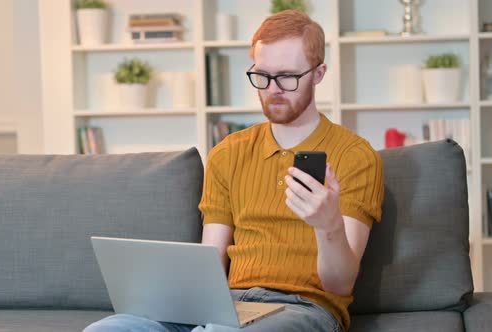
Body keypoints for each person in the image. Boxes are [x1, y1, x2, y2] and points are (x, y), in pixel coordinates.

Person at [84, 9, 384, 332]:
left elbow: (340, 285)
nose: (273, 89)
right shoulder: (228, 153)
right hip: (229, 305)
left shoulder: (356, 156)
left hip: (305, 309)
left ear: (319, 73)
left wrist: (329, 226)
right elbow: (210, 261)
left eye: (287, 77)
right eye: (262, 76)